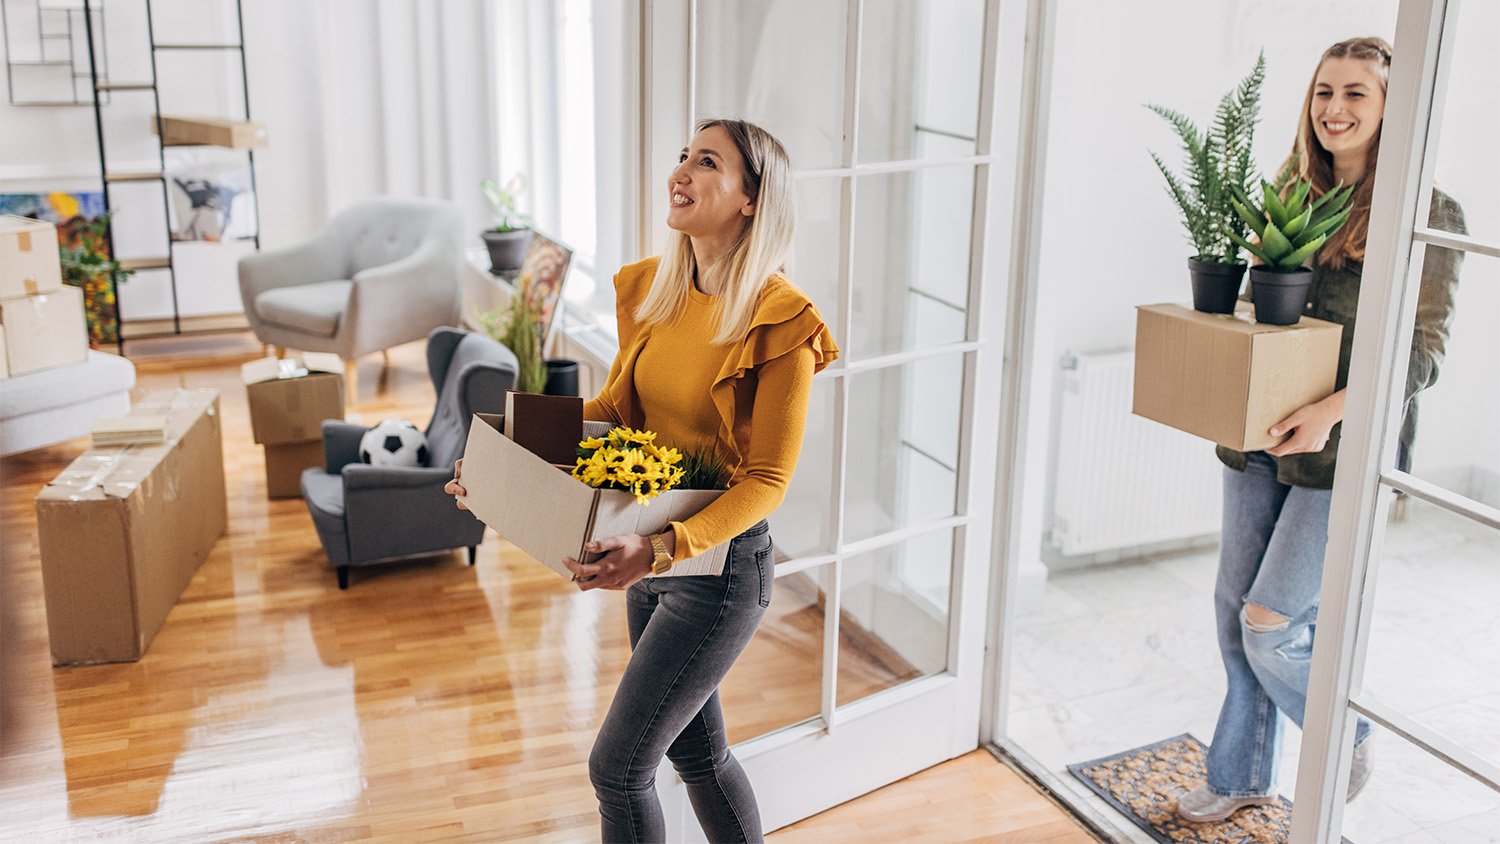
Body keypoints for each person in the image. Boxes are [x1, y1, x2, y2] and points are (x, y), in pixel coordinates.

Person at [446, 118, 837, 843]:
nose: (679, 172)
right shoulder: (658, 292)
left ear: (752, 199)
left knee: (618, 769)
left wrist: (661, 550)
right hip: (645, 555)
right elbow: (610, 413)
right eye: (682, 156)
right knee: (698, 751)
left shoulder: (782, 320)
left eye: (707, 162)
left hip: (716, 571)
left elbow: (768, 480)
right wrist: (498, 458)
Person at [1178, 37, 1466, 823]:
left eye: (1357, 96)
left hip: (1343, 447)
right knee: (1232, 613)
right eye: (1323, 93)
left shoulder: (1427, 210)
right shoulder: (1290, 190)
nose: (1335, 109)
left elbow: (1422, 351)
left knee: (1272, 626)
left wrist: (1330, 411)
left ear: (1391, 108)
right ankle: (1238, 776)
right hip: (1259, 432)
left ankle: (1348, 735)